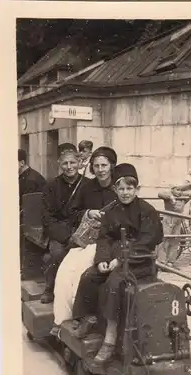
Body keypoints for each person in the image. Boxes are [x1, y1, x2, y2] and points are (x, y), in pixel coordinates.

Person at [71, 163, 163, 365]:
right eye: (121, 188)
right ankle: (87, 318)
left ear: (137, 189)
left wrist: (120, 258)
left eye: (130, 188)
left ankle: (110, 339)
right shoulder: (112, 211)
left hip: (139, 262)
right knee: (89, 276)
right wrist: (102, 260)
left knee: (114, 283)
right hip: (113, 259)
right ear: (115, 189)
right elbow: (104, 238)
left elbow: (147, 241)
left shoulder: (147, 211)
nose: (125, 193)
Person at [50, 146, 118, 336]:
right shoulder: (87, 187)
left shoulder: (119, 188)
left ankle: (78, 317)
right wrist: (88, 213)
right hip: (86, 239)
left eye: (104, 165)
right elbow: (72, 212)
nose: (100, 170)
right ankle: (61, 319)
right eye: (96, 166)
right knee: (64, 270)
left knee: (80, 270)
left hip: (107, 242)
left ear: (111, 166)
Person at [40, 144, 90, 304]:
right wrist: (65, 236)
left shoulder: (88, 185)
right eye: (65, 164)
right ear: (59, 165)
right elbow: (47, 218)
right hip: (60, 232)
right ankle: (50, 288)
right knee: (56, 254)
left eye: (72, 163)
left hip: (82, 231)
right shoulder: (51, 186)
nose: (69, 167)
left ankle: (79, 295)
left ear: (79, 163)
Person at [18, 149, 46, 276]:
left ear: (22, 162)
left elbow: (28, 207)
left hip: (35, 220)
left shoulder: (31, 180)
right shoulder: (24, 176)